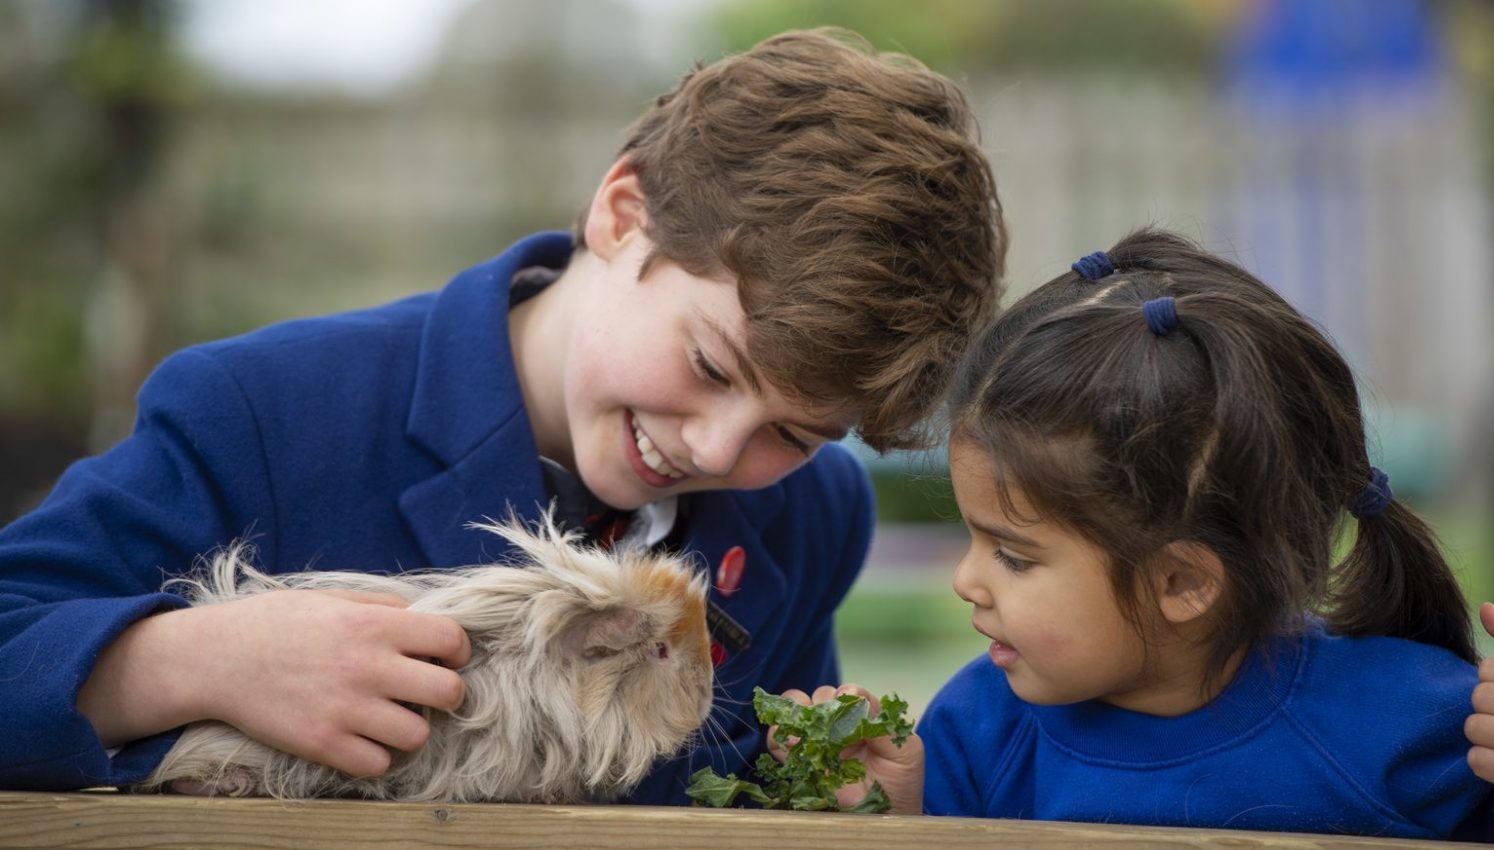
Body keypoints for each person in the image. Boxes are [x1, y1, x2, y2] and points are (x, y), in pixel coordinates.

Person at [0, 27, 1007, 800]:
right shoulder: (257, 410)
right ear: (622, 213)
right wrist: (193, 660)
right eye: (708, 362)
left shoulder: (814, 515)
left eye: (794, 432)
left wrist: (839, 786)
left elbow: (733, 785)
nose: (714, 443)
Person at [777, 229, 1494, 842]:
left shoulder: (1403, 718)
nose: (967, 581)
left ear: (1182, 583)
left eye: (1013, 555)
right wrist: (894, 815)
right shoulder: (979, 731)